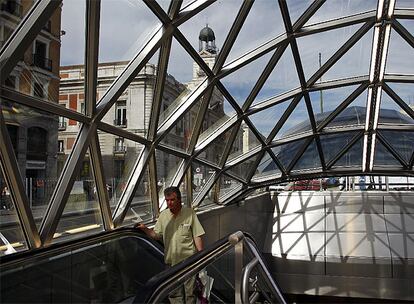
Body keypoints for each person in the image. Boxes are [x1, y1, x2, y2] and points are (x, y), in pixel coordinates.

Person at [136, 186, 205, 304]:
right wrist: (145, 229)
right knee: (174, 294)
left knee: (190, 293)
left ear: (179, 199)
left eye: (172, 200)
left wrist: (201, 258)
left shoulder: (189, 213)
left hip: (189, 262)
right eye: (167, 200)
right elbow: (156, 235)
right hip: (171, 263)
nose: (169, 203)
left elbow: (197, 235)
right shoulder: (163, 216)